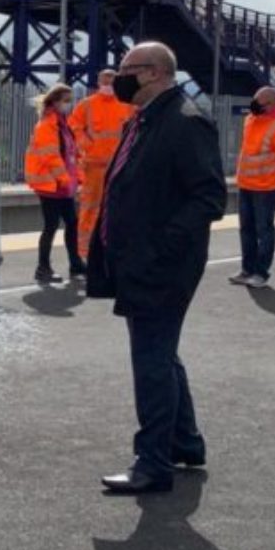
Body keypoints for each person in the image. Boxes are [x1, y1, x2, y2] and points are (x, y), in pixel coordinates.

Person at [87, 42, 226, 494]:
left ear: (151, 73)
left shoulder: (184, 121)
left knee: (150, 360)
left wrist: (159, 249)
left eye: (126, 70)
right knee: (161, 353)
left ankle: (153, 463)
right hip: (141, 260)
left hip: (162, 265)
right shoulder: (147, 119)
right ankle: (185, 443)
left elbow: (209, 196)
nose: (117, 79)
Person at [229, 87, 275, 289]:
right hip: (246, 185)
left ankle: (261, 272)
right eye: (254, 100)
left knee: (264, 230)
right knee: (246, 229)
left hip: (266, 188)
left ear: (273, 104)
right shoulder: (249, 120)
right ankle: (247, 270)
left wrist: (269, 173)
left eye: (260, 102)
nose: (255, 105)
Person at [24, 82, 86, 284]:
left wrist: (77, 178)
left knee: (71, 223)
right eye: (66, 100)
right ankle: (43, 267)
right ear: (55, 101)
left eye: (70, 100)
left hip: (63, 185)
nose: (69, 104)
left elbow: (71, 154)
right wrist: (64, 179)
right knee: (51, 226)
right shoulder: (47, 125)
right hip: (52, 186)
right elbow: (50, 156)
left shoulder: (62, 124)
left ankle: (75, 264)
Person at [69, 68, 133, 259]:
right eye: (105, 81)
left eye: (111, 81)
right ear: (98, 82)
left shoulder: (126, 105)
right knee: (90, 208)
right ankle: (84, 251)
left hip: (120, 166)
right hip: (94, 166)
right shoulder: (87, 105)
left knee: (118, 207)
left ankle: (112, 248)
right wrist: (86, 145)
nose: (108, 85)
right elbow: (74, 126)